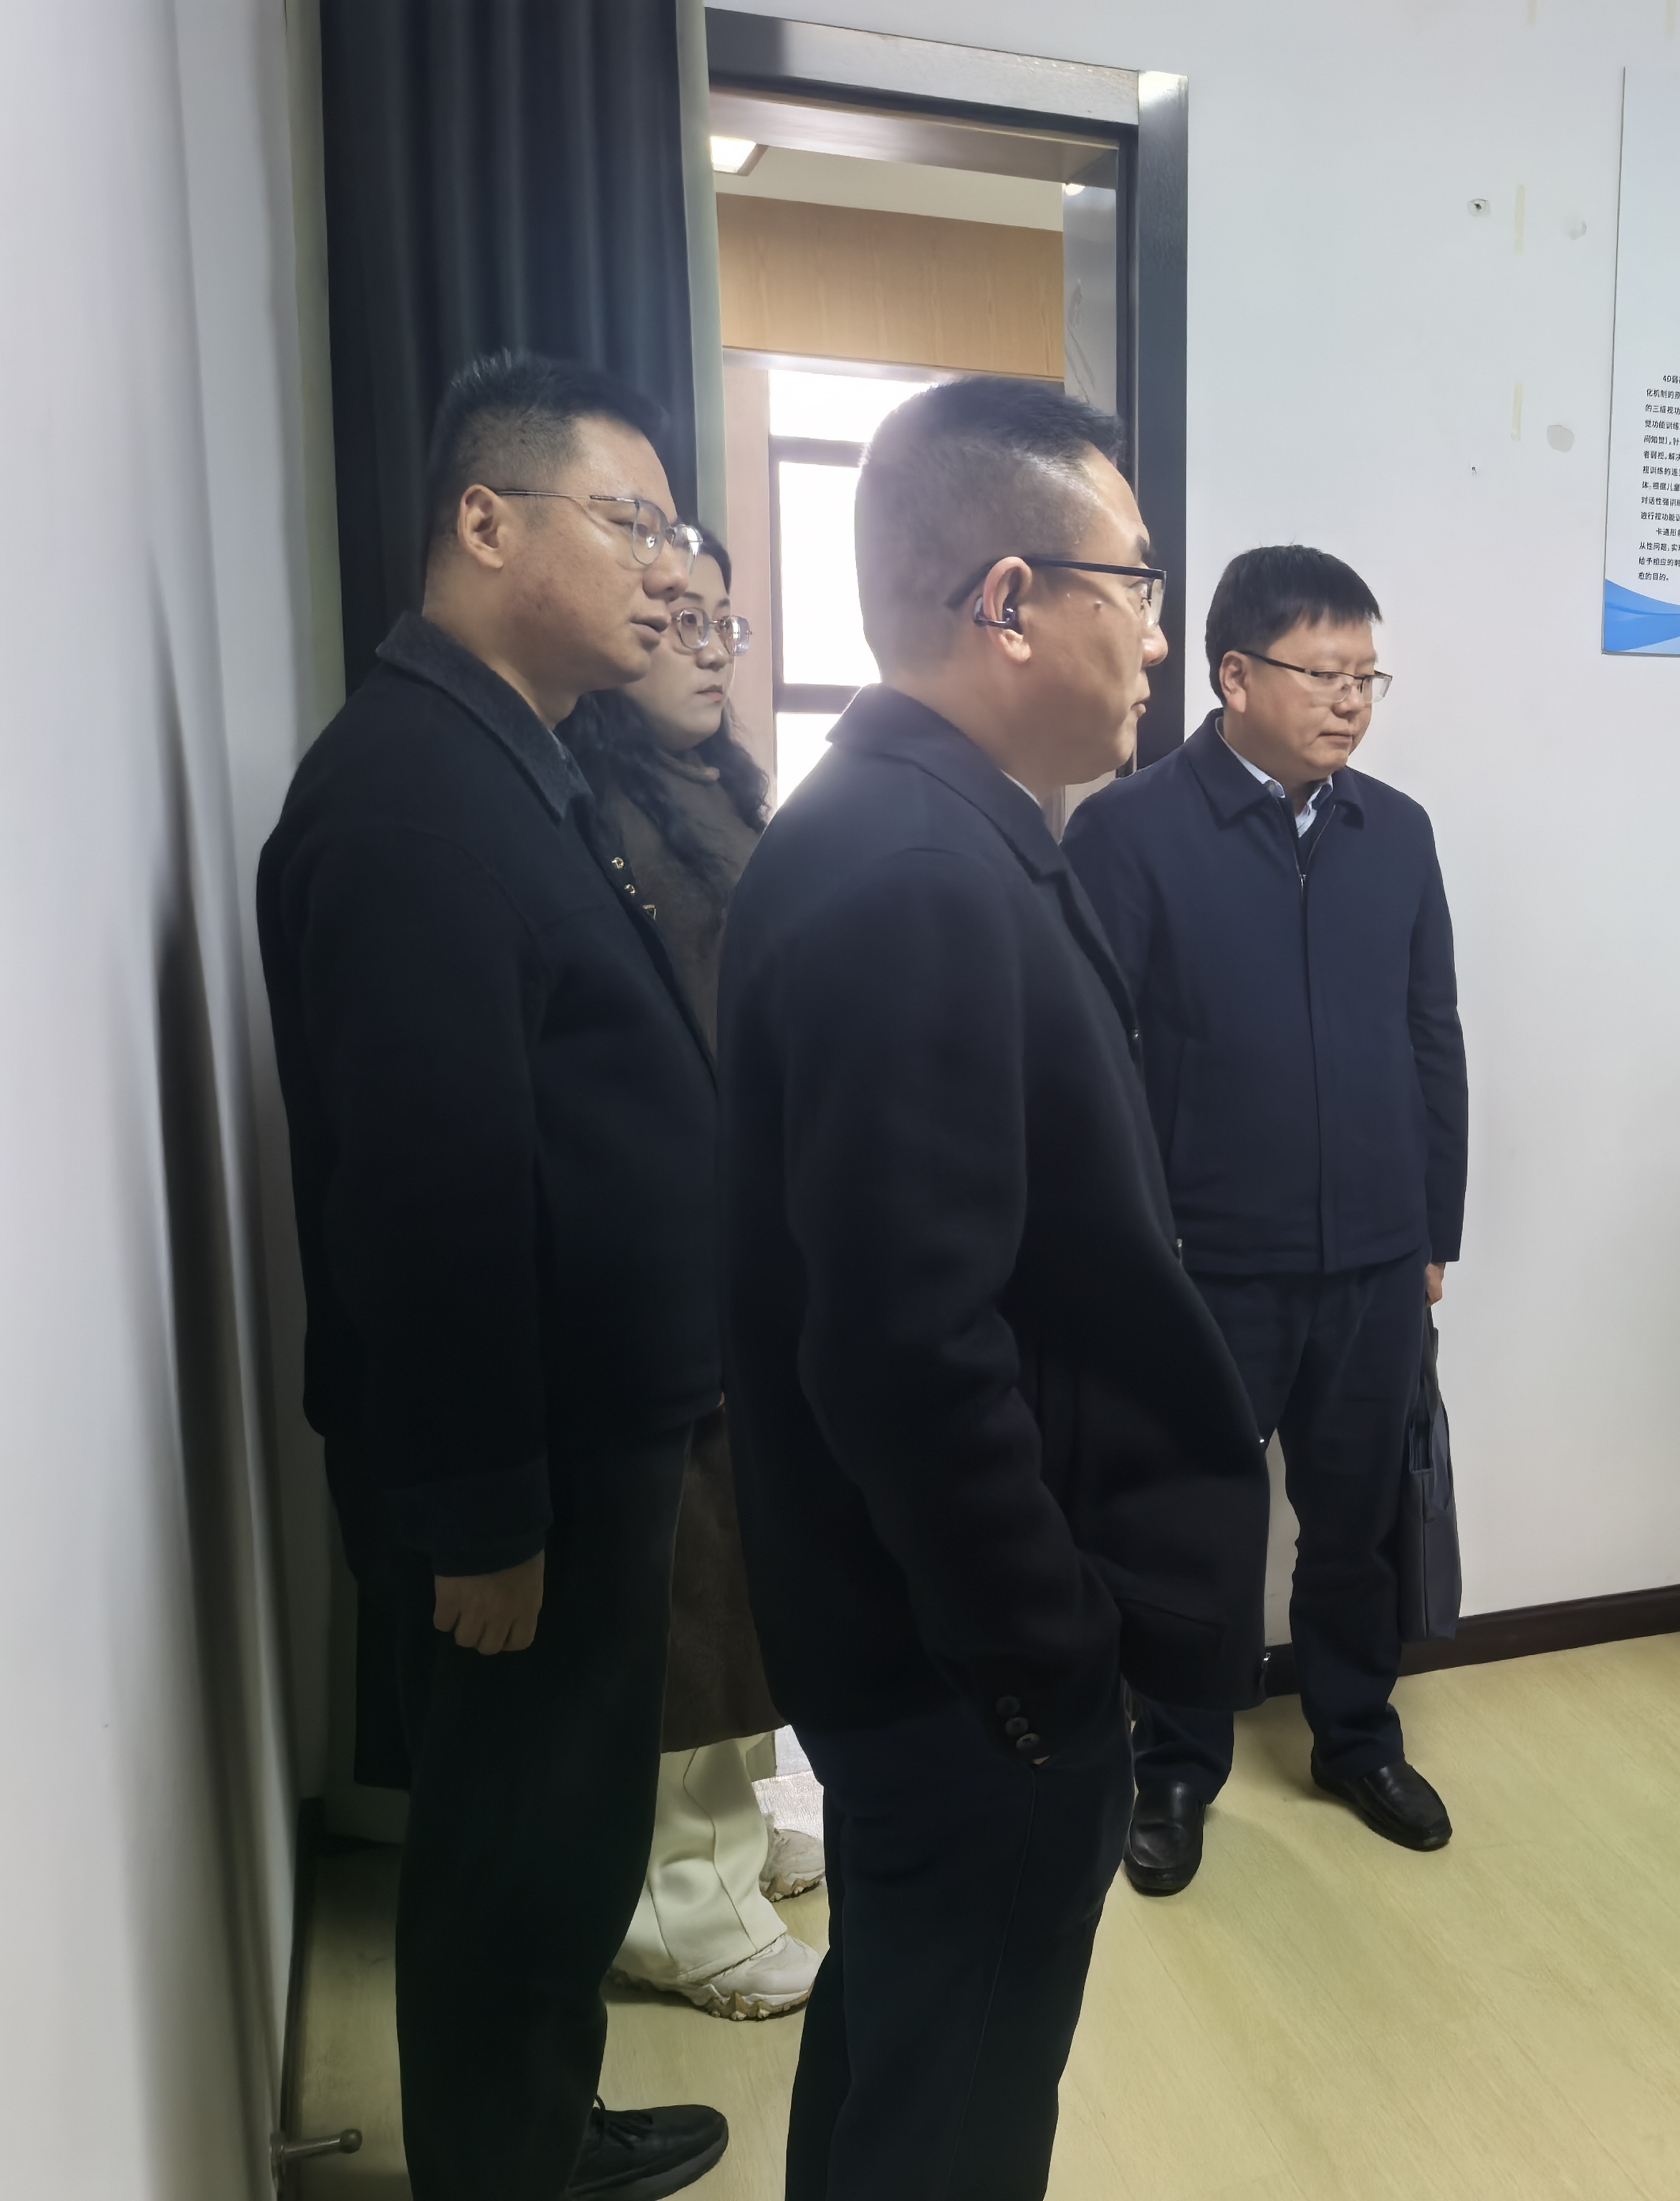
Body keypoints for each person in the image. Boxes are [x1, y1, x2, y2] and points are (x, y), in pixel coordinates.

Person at [716, 373, 1269, 2197]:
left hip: (925, 1648)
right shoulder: (910, 875)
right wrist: (1047, 1659)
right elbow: (906, 1346)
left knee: (906, 2051)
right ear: (1012, 598)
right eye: (1138, 583)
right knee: (952, 2109)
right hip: (967, 1669)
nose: (1159, 636)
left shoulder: (930, 828)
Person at [257, 352, 730, 2199]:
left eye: (671, 532)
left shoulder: (503, 758)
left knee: (562, 1832)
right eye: (628, 523)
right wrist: (482, 1519)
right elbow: (428, 1193)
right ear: (485, 520)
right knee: (514, 1848)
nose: (664, 569)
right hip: (516, 1472)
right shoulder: (409, 801)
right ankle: (502, 2170)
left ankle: (541, 2127)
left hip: (573, 1440)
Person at [1067, 545, 1470, 1894]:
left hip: (1373, 1256)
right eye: (1324, 674)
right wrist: (1130, 1247)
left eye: (1369, 677)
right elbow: (1094, 1060)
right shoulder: (1129, 833)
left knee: (1355, 1520)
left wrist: (1433, 1229)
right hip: (1206, 1260)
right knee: (1194, 1521)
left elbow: (1431, 1035)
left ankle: (1356, 1736)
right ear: (1234, 677)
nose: (1352, 702)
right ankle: (1177, 1765)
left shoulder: (1395, 831)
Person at [562, 537, 827, 2022]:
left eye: (724, 620)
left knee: (740, 1569)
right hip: (670, 1247)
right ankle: (676, 1902)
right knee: (686, 1578)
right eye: (675, 620)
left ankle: (725, 1838)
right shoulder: (587, 810)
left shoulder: (716, 787)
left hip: (745, 1235)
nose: (711, 646)